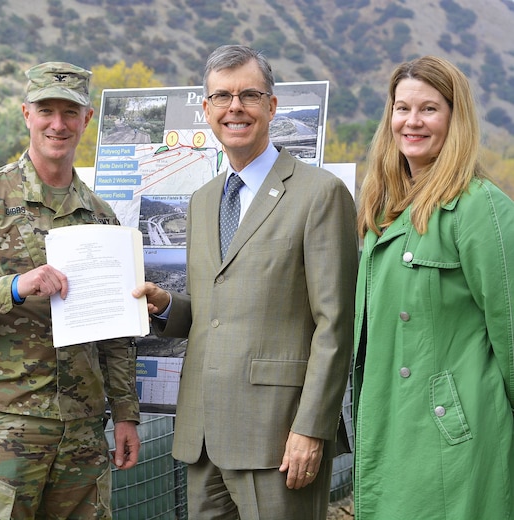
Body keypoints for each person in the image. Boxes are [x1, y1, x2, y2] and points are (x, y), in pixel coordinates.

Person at [132, 45, 358, 519]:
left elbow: (335, 324)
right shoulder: (202, 200)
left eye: (249, 95)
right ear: (207, 109)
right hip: (203, 436)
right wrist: (167, 306)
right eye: (221, 97)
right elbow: (214, 309)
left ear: (271, 106)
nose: (235, 108)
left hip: (276, 438)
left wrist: (311, 429)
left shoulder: (319, 194)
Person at [0, 61, 141, 519]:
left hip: (82, 431)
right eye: (46, 110)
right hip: (3, 427)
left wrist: (125, 412)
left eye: (70, 112)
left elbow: (117, 334)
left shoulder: (103, 219)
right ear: (26, 113)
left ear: (87, 120)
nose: (57, 124)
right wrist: (15, 287)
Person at [353, 55, 514, 519]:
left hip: (456, 439)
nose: (412, 122)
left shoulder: (480, 207)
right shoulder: (381, 210)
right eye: (402, 109)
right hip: (389, 424)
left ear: (454, 116)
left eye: (429, 109)